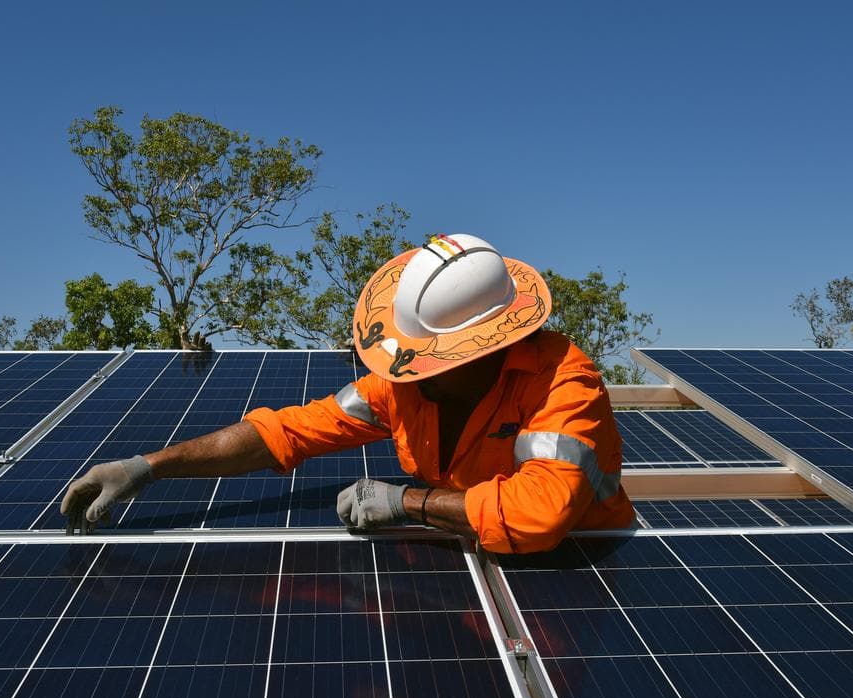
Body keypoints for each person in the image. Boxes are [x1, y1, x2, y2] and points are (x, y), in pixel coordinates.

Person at [61, 234, 634, 553]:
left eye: (434, 360)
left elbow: (541, 516)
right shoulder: (403, 385)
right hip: (461, 554)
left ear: (486, 351)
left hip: (579, 565)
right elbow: (287, 431)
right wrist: (148, 466)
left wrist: (407, 503)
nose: (413, 373)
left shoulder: (561, 382)